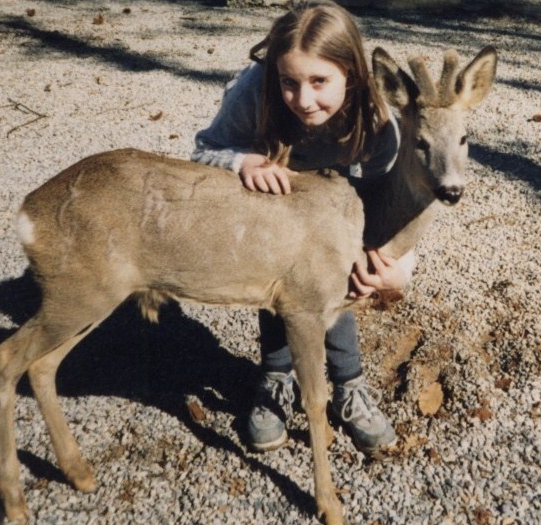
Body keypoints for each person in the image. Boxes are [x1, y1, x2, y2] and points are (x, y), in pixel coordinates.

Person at [191, 1, 416, 456]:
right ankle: (276, 378)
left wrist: (400, 265)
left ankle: (349, 385)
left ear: (350, 74)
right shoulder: (255, 91)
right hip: (272, 189)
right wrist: (243, 160)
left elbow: (387, 207)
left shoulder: (376, 122)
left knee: (337, 275)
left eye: (319, 81)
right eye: (289, 82)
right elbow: (204, 149)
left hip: (339, 197)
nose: (304, 99)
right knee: (283, 275)